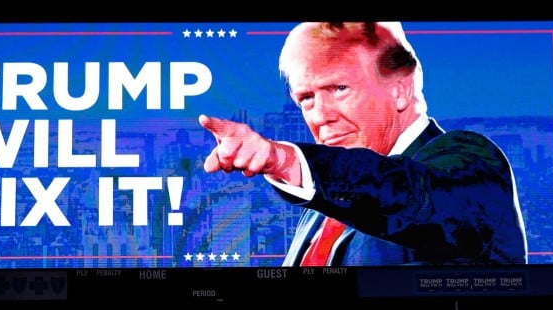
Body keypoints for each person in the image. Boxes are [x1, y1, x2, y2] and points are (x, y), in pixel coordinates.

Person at [199, 21, 528, 267]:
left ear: (400, 89)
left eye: (339, 88)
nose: (321, 116)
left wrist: (284, 160)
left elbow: (406, 195)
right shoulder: (321, 209)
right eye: (306, 98)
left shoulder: (470, 162)